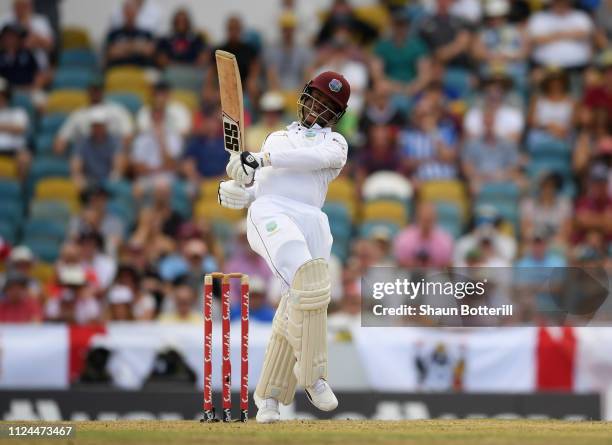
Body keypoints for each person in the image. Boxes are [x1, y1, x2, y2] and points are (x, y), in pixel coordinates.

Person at [218, 71, 351, 422]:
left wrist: (261, 159)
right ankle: (315, 376)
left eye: (329, 107)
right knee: (305, 280)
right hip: (271, 212)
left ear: (337, 115)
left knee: (301, 301)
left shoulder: (336, 144)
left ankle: (270, 399)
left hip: (313, 221)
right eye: (318, 100)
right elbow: (257, 189)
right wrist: (235, 190)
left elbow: (307, 161)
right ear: (305, 97)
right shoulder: (276, 138)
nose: (319, 110)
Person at [54, 81, 133, 156]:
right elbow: (62, 138)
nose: (95, 93)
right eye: (93, 90)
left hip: (112, 154)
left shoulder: (118, 110)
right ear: (88, 91)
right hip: (87, 157)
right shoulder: (78, 114)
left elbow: (128, 136)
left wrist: (118, 154)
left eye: (98, 90)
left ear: (103, 91)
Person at [527, 0, 594, 70]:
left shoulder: (581, 16)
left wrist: (554, 35)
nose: (561, 4)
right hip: (546, 66)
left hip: (579, 65)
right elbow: (537, 39)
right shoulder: (539, 17)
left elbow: (585, 34)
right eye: (558, 2)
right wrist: (570, 34)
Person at [70, 108, 125, 191]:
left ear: (105, 126)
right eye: (95, 125)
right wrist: (78, 177)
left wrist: (113, 179)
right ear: (91, 126)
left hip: (108, 180)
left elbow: (118, 163)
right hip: (89, 180)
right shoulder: (83, 143)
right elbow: (76, 163)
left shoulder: (114, 141)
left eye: (100, 125)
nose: (98, 129)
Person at [0, 0, 54, 69]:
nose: (22, 9)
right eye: (20, 5)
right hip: (7, 66)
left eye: (25, 6)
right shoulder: (4, 20)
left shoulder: (40, 21)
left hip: (37, 68)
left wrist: (28, 29)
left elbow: (50, 46)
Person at [104, 0, 155, 68]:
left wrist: (123, 48)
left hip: (141, 69)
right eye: (128, 12)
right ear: (123, 13)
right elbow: (111, 53)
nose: (130, 14)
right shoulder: (114, 34)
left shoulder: (146, 33)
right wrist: (137, 47)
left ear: (137, 13)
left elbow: (149, 52)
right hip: (118, 69)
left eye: (132, 12)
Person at [0, 76, 30, 178]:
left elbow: (19, 128)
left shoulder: (18, 112)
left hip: (14, 150)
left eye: (2, 95)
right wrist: (8, 127)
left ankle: (20, 191)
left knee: (25, 158)